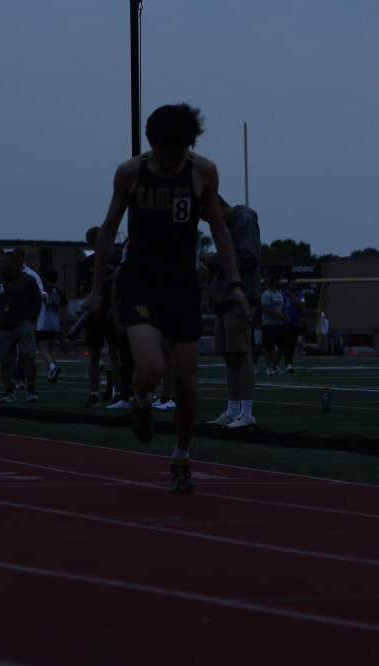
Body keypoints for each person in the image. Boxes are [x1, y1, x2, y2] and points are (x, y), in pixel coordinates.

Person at [82, 102, 251, 493]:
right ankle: (141, 401)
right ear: (150, 144)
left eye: (178, 155)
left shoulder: (203, 171)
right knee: (151, 369)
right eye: (163, 155)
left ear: (189, 146)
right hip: (140, 283)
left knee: (187, 382)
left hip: (182, 285)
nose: (170, 162)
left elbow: (219, 229)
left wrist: (236, 285)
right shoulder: (130, 172)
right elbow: (108, 228)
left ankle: (181, 454)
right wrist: (95, 291)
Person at [201, 195, 262, 429]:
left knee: (241, 353)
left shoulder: (244, 220)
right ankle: (233, 410)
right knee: (230, 356)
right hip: (225, 297)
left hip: (239, 297)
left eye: (208, 215)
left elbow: (249, 259)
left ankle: (246, 413)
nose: (209, 221)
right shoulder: (228, 223)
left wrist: (213, 259)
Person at [79, 226, 123, 407]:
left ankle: (117, 393)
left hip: (112, 312)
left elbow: (122, 286)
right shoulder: (88, 263)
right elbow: (84, 288)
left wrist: (115, 307)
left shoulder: (117, 260)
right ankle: (96, 393)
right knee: (98, 354)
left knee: (113, 353)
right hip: (96, 313)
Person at [0, 251, 43, 403]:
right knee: (4, 360)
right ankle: (9, 392)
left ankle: (31, 389)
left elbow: (37, 300)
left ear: (14, 264)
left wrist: (30, 319)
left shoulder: (28, 280)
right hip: (4, 326)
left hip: (23, 324)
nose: (0, 264)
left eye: (4, 262)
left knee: (29, 357)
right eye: (0, 261)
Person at [37, 268, 68, 384]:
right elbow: (64, 312)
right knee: (52, 349)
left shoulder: (42, 290)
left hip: (43, 324)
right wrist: (63, 326)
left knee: (43, 349)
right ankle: (51, 373)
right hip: (55, 325)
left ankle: (53, 368)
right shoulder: (60, 292)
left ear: (45, 278)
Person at [259, 276, 288, 375]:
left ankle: (275, 365)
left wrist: (286, 315)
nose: (280, 284)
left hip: (279, 324)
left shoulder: (278, 293)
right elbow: (266, 309)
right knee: (268, 347)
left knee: (283, 345)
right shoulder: (266, 294)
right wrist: (280, 315)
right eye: (279, 282)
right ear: (274, 283)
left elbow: (282, 307)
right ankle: (268, 367)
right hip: (269, 324)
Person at [281, 278, 305, 373]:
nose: (294, 286)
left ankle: (289, 364)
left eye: (295, 285)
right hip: (285, 323)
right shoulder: (282, 294)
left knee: (292, 344)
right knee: (287, 343)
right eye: (292, 284)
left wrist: (292, 296)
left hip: (296, 323)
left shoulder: (299, 294)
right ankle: (285, 364)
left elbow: (302, 306)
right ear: (288, 285)